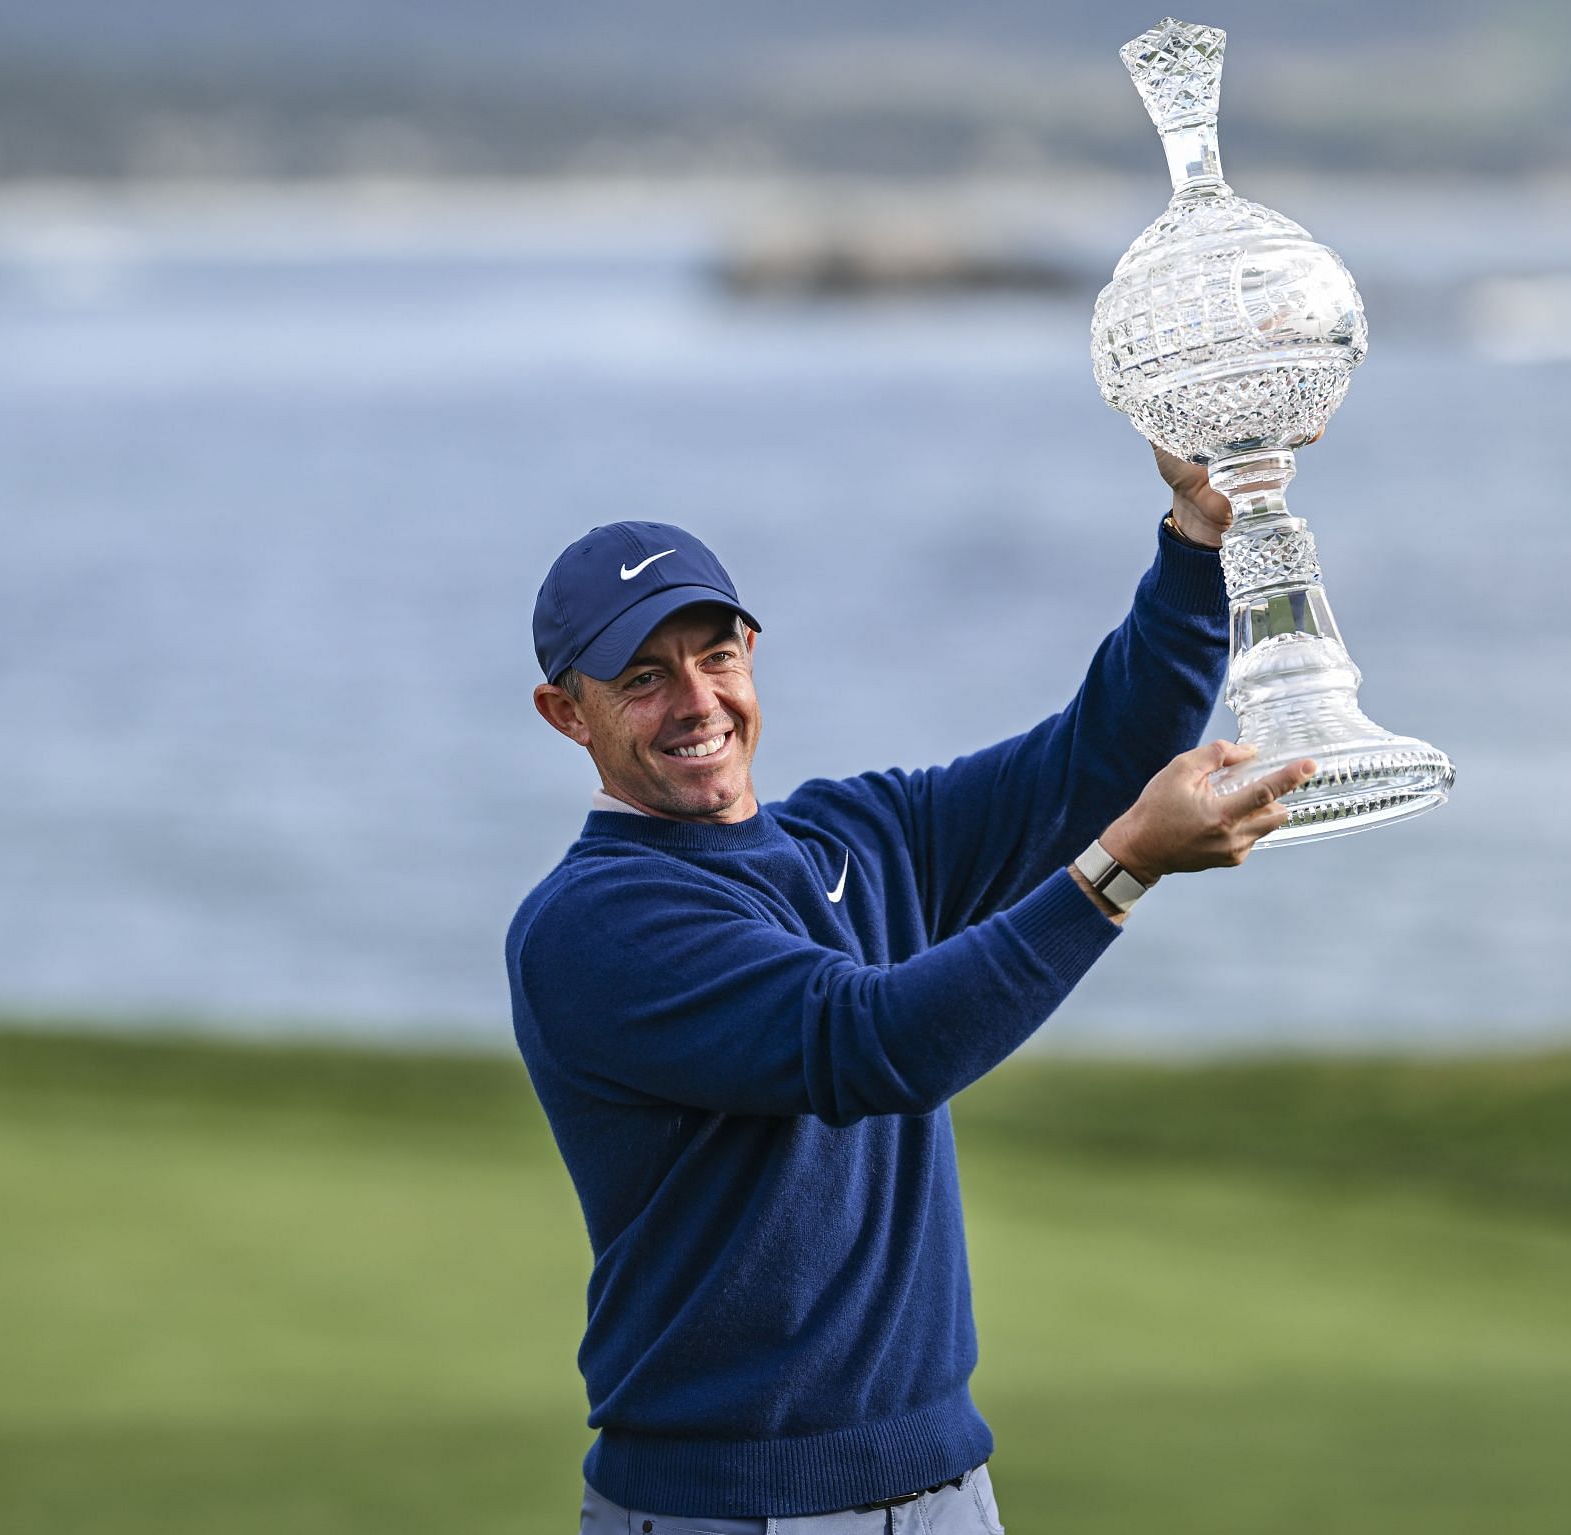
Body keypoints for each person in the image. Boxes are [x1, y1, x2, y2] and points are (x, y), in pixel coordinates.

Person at [504, 446, 1315, 1533]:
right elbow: (873, 1044)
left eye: (713, 656)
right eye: (643, 679)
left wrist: (1196, 540)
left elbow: (1097, 760)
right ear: (569, 713)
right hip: (729, 1512)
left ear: (750, 652)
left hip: (949, 1495)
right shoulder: (594, 924)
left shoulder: (860, 834)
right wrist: (1124, 864)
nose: (695, 702)